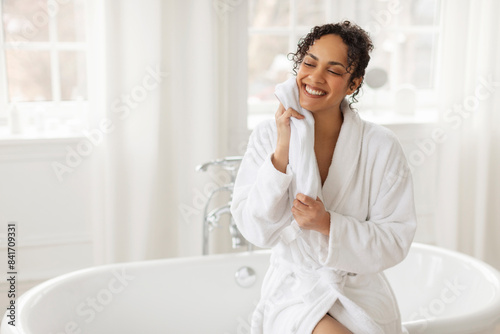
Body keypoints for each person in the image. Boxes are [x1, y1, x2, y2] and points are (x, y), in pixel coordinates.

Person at [230, 21, 416, 334]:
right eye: (309, 63)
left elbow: (395, 241)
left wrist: (328, 225)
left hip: (359, 292)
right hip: (296, 291)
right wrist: (281, 153)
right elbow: (256, 230)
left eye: (333, 70)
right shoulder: (268, 137)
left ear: (353, 83)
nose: (315, 78)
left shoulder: (381, 146)